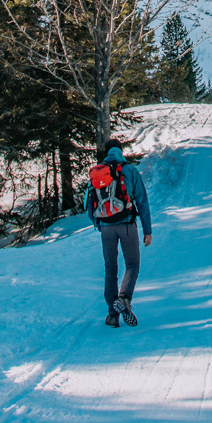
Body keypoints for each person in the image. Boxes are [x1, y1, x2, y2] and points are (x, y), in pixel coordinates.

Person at [86, 141, 152, 328]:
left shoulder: (97, 172)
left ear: (106, 153)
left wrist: (99, 223)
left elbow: (89, 204)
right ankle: (124, 298)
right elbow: (142, 201)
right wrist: (148, 230)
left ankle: (112, 315)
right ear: (121, 152)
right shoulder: (129, 171)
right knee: (132, 264)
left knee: (110, 268)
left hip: (106, 227)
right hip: (127, 225)